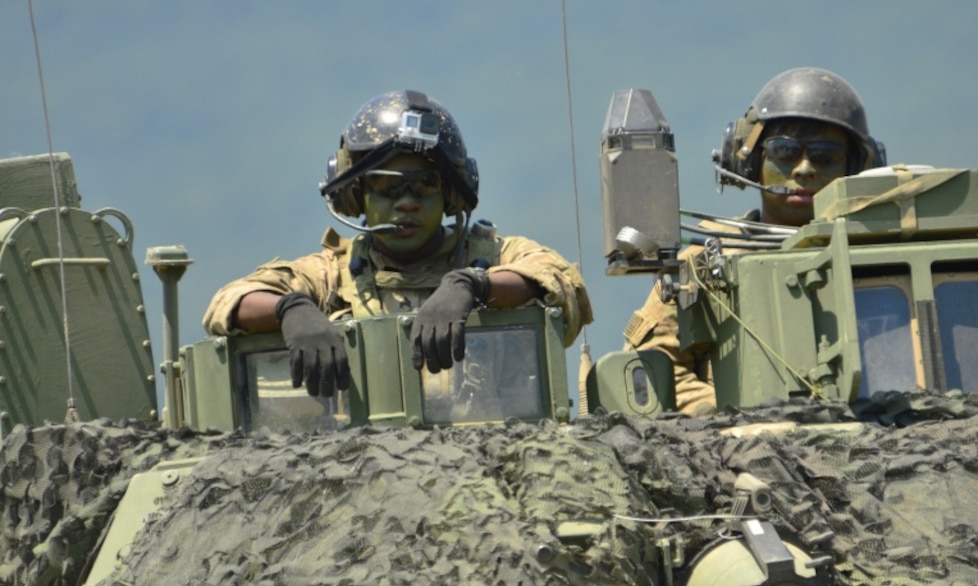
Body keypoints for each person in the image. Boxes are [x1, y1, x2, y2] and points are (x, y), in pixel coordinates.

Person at [204, 90, 592, 397]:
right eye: (388, 186)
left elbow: (560, 281)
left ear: (451, 197)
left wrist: (475, 285)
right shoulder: (329, 276)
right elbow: (229, 302)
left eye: (426, 185)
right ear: (356, 197)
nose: (407, 202)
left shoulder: (492, 257)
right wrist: (290, 309)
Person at [621, 67, 884, 414]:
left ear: (853, 167)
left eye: (825, 157)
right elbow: (651, 364)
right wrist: (728, 420)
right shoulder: (707, 262)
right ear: (750, 162)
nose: (804, 169)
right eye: (785, 152)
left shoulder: (880, 254)